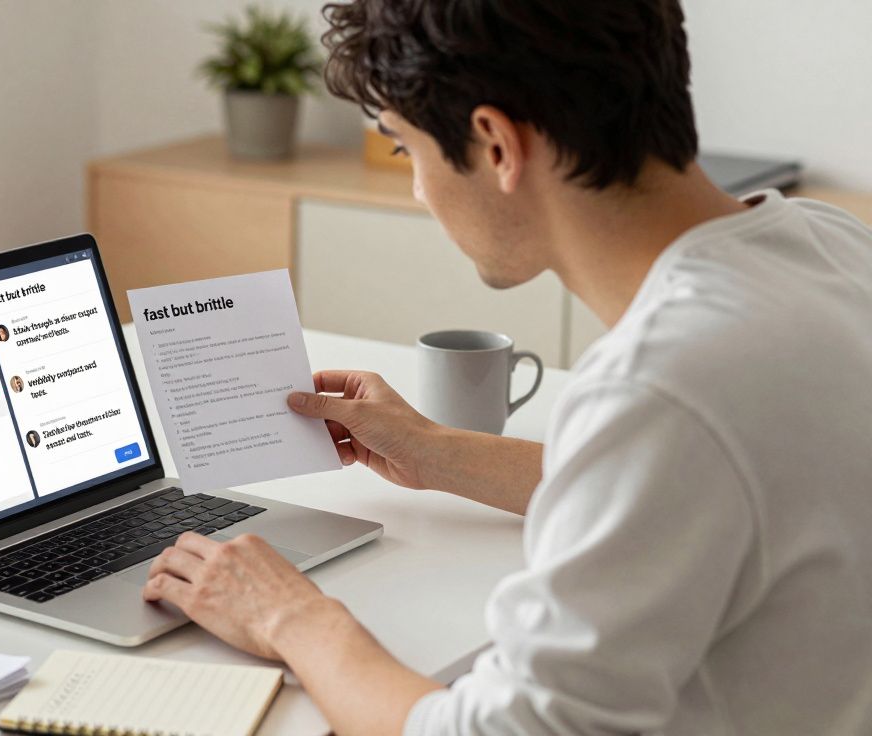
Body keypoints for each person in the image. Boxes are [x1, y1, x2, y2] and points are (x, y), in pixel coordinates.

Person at [141, 1, 872, 734]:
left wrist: (291, 618)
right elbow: (688, 484)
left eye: (405, 150)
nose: (421, 189)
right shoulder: (832, 246)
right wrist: (437, 451)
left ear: (495, 144)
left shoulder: (663, 388)